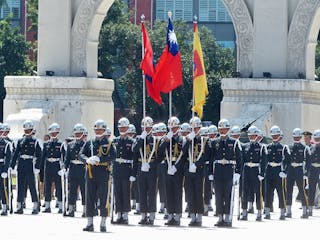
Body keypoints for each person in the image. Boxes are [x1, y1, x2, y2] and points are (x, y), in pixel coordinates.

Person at [79, 119, 116, 232]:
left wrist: (100, 159)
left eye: (101, 129)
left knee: (104, 197)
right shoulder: (89, 142)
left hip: (103, 173)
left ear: (104, 130)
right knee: (89, 198)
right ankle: (90, 223)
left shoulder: (109, 143)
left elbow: (113, 156)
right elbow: (81, 154)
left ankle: (103, 223)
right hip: (90, 173)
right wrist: (87, 159)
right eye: (96, 129)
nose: (98, 131)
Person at [210, 118, 242, 227]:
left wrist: (238, 172)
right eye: (221, 129)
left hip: (229, 171)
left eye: (224, 129)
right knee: (218, 195)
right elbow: (211, 159)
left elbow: (239, 158)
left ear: (228, 129)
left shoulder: (234, 142)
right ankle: (220, 218)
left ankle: (228, 217)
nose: (222, 131)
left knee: (228, 195)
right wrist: (210, 172)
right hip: (218, 171)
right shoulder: (214, 142)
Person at [133, 117, 162, 225]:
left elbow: (159, 157)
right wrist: (141, 139)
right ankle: (143, 215)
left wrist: (151, 165)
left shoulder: (155, 140)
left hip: (151, 169)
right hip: (141, 167)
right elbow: (134, 150)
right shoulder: (138, 138)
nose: (147, 129)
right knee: (142, 192)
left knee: (152, 192)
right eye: (145, 127)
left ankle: (152, 215)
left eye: (149, 127)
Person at [161, 117, 188, 226]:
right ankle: (170, 215)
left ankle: (177, 216)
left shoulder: (182, 139)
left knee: (177, 193)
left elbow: (185, 155)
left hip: (178, 168)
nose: (172, 129)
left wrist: (176, 167)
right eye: (171, 127)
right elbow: (160, 151)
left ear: (178, 127)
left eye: (175, 127)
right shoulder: (166, 138)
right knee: (168, 192)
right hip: (167, 167)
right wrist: (166, 141)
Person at [10, 120, 42, 214]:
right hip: (21, 164)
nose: (27, 132)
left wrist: (37, 166)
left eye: (29, 130)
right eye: (26, 130)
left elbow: (39, 155)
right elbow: (16, 154)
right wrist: (12, 166)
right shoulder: (20, 140)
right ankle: (19, 205)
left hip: (30, 163)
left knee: (32, 185)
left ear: (32, 130)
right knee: (20, 185)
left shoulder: (35, 141)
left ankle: (35, 205)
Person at [240, 126, 266, 221]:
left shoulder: (261, 147)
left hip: (256, 171)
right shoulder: (245, 146)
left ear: (257, 135)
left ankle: (259, 213)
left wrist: (262, 173)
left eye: (253, 135)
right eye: (250, 135)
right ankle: (244, 212)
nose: (251, 137)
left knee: (258, 193)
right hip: (247, 171)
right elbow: (242, 160)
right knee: (245, 192)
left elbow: (264, 161)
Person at [112, 117, 135, 225]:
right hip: (117, 169)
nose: (122, 129)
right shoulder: (114, 141)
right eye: (121, 127)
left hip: (126, 170)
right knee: (117, 193)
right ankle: (119, 214)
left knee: (126, 193)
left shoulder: (131, 141)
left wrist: (133, 173)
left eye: (124, 127)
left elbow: (134, 159)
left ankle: (125, 215)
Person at [185, 117, 207, 226]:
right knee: (190, 193)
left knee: (198, 193)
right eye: (193, 128)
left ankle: (199, 217)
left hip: (199, 170)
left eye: (197, 128)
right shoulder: (187, 139)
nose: (195, 130)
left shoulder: (204, 140)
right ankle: (192, 216)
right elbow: (183, 152)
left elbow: (205, 155)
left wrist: (197, 165)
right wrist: (188, 140)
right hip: (188, 169)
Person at [264, 125, 290, 220]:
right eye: (273, 135)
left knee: (281, 192)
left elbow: (288, 161)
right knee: (268, 192)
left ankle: (283, 212)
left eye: (276, 135)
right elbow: (264, 161)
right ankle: (267, 212)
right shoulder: (267, 147)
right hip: (270, 170)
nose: (275, 136)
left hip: (279, 171)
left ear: (279, 135)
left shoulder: (283, 147)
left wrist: (285, 172)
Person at [41, 123, 65, 213]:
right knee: (47, 186)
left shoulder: (60, 144)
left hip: (57, 165)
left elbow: (64, 156)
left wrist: (63, 168)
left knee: (59, 186)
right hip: (48, 165)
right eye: (52, 132)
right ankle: (47, 206)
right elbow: (43, 157)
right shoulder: (46, 144)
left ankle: (60, 205)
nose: (53, 134)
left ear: (58, 133)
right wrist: (41, 169)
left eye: (55, 132)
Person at [286, 128, 309, 218]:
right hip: (291, 169)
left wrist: (306, 172)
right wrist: (284, 170)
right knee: (289, 190)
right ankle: (288, 211)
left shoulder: (304, 148)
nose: (296, 138)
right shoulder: (288, 147)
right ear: (293, 137)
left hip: (299, 169)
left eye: (298, 137)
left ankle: (304, 211)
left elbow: (308, 161)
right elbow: (286, 160)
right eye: (295, 137)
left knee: (302, 190)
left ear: (300, 137)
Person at [64, 123, 86, 217]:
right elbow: (67, 158)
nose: (77, 135)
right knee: (72, 190)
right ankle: (71, 209)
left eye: (79, 133)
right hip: (73, 169)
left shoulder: (86, 144)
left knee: (84, 190)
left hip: (82, 169)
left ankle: (85, 210)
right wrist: (65, 168)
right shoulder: (70, 145)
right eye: (76, 133)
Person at [0, 123, 12, 215]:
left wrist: (5, 170)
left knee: (3, 188)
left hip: (1, 166)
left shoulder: (6, 144)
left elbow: (8, 158)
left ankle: (4, 206)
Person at [307, 129, 320, 216]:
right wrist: (307, 173)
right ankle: (310, 209)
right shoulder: (310, 148)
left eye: (318, 138)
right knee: (311, 190)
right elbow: (308, 161)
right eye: (316, 139)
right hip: (312, 171)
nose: (317, 140)